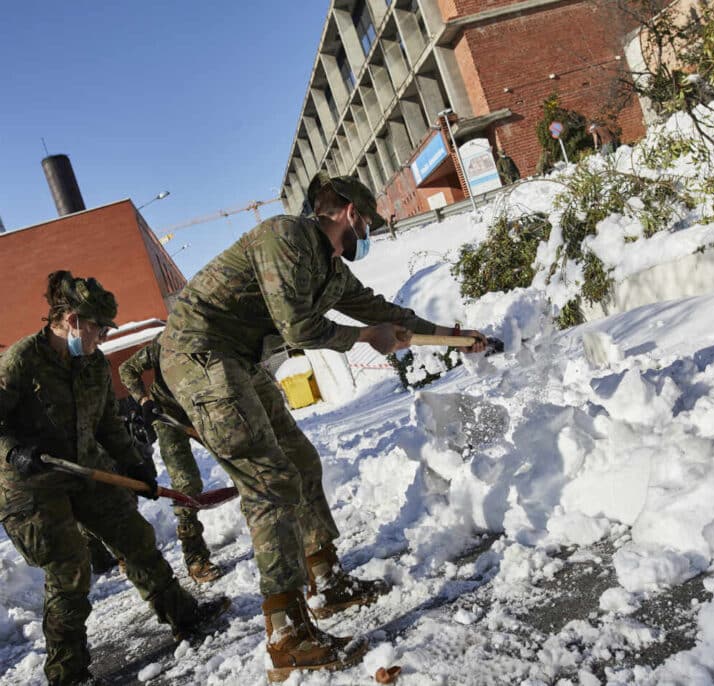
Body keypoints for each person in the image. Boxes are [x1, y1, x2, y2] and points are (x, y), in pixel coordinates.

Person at [158, 171, 487, 680]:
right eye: (369, 223)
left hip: (240, 361)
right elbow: (298, 327)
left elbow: (382, 312)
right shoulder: (285, 237)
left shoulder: (330, 270)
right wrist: (366, 337)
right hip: (200, 354)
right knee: (270, 481)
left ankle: (327, 582)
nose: (369, 234)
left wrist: (457, 335)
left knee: (301, 463)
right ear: (351, 214)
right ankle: (287, 634)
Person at [0, 271, 230, 686]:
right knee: (70, 569)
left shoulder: (92, 363)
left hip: (84, 467)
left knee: (135, 536)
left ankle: (183, 615)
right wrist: (14, 451)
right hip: (30, 481)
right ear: (72, 320)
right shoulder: (20, 361)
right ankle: (67, 673)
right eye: (99, 328)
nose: (103, 337)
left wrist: (134, 463)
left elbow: (106, 422)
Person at [119, 335, 223, 584]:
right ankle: (195, 557)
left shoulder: (220, 336)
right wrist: (144, 400)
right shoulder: (168, 340)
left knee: (245, 464)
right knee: (186, 485)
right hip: (167, 417)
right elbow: (127, 368)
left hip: (207, 411)